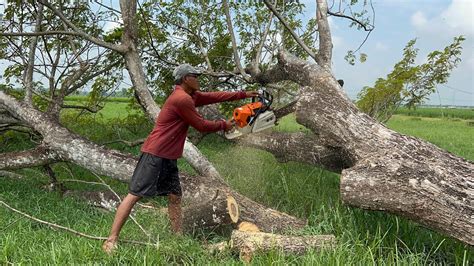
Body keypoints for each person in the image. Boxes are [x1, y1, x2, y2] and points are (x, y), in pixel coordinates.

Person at [102, 64, 258, 253]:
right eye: (195, 76)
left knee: (175, 197)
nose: (198, 79)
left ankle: (177, 237)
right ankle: (111, 240)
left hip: (168, 157)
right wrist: (224, 124)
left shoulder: (190, 96)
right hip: (155, 154)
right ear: (186, 79)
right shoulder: (181, 99)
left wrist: (245, 94)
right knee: (135, 194)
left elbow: (215, 96)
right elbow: (201, 125)